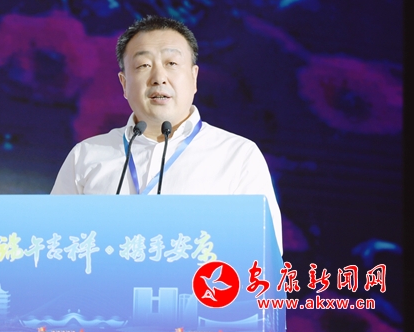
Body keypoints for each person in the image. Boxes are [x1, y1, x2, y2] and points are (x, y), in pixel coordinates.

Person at [51, 15, 283, 253]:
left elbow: (264, 253)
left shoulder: (238, 155)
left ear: (194, 77)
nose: (159, 78)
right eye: (143, 66)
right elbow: (53, 245)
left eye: (171, 63)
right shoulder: (87, 155)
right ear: (124, 83)